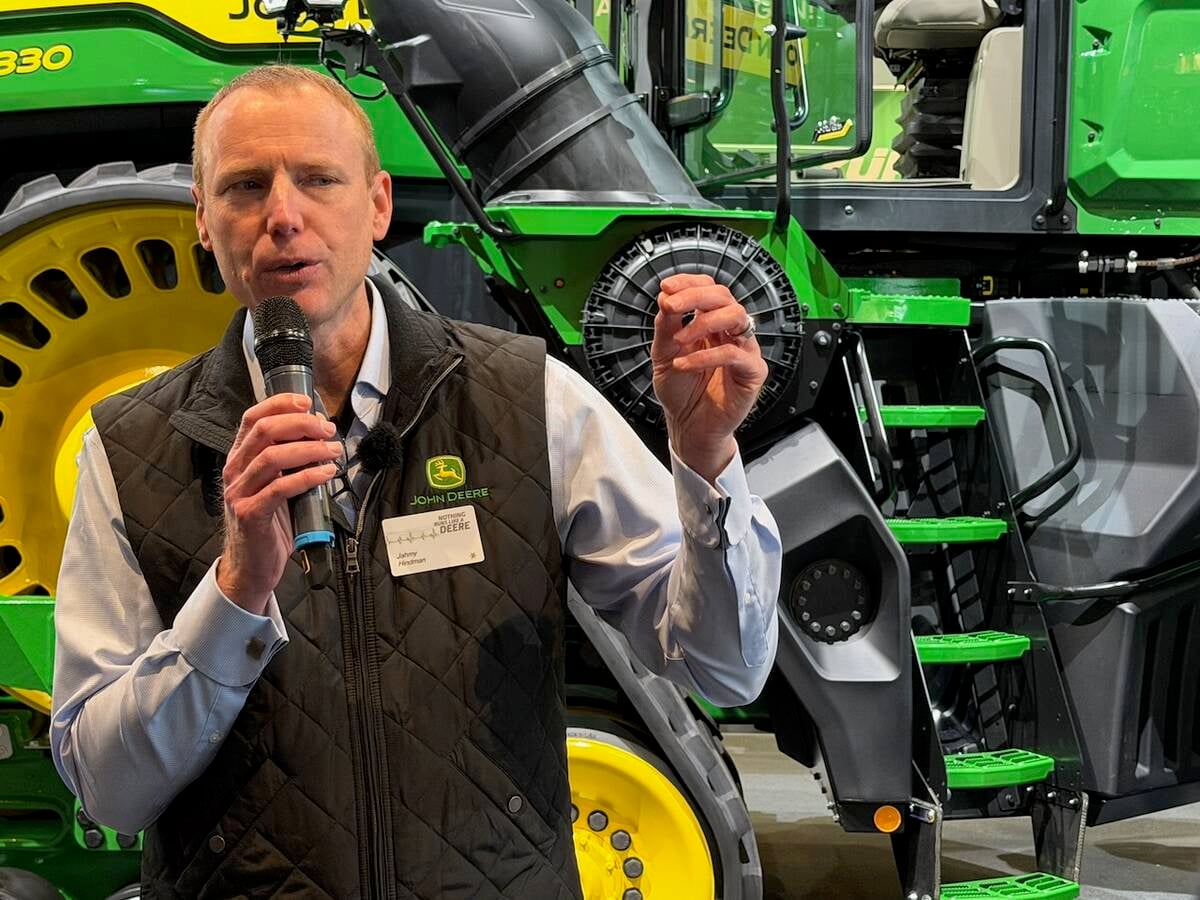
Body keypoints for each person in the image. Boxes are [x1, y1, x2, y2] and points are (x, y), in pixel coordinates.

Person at [50, 66, 781, 899]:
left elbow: (725, 667)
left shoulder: (525, 398)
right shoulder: (128, 449)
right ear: (205, 224)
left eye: (319, 180)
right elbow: (109, 790)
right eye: (246, 186)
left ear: (379, 206)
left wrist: (707, 458)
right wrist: (235, 594)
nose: (284, 217)